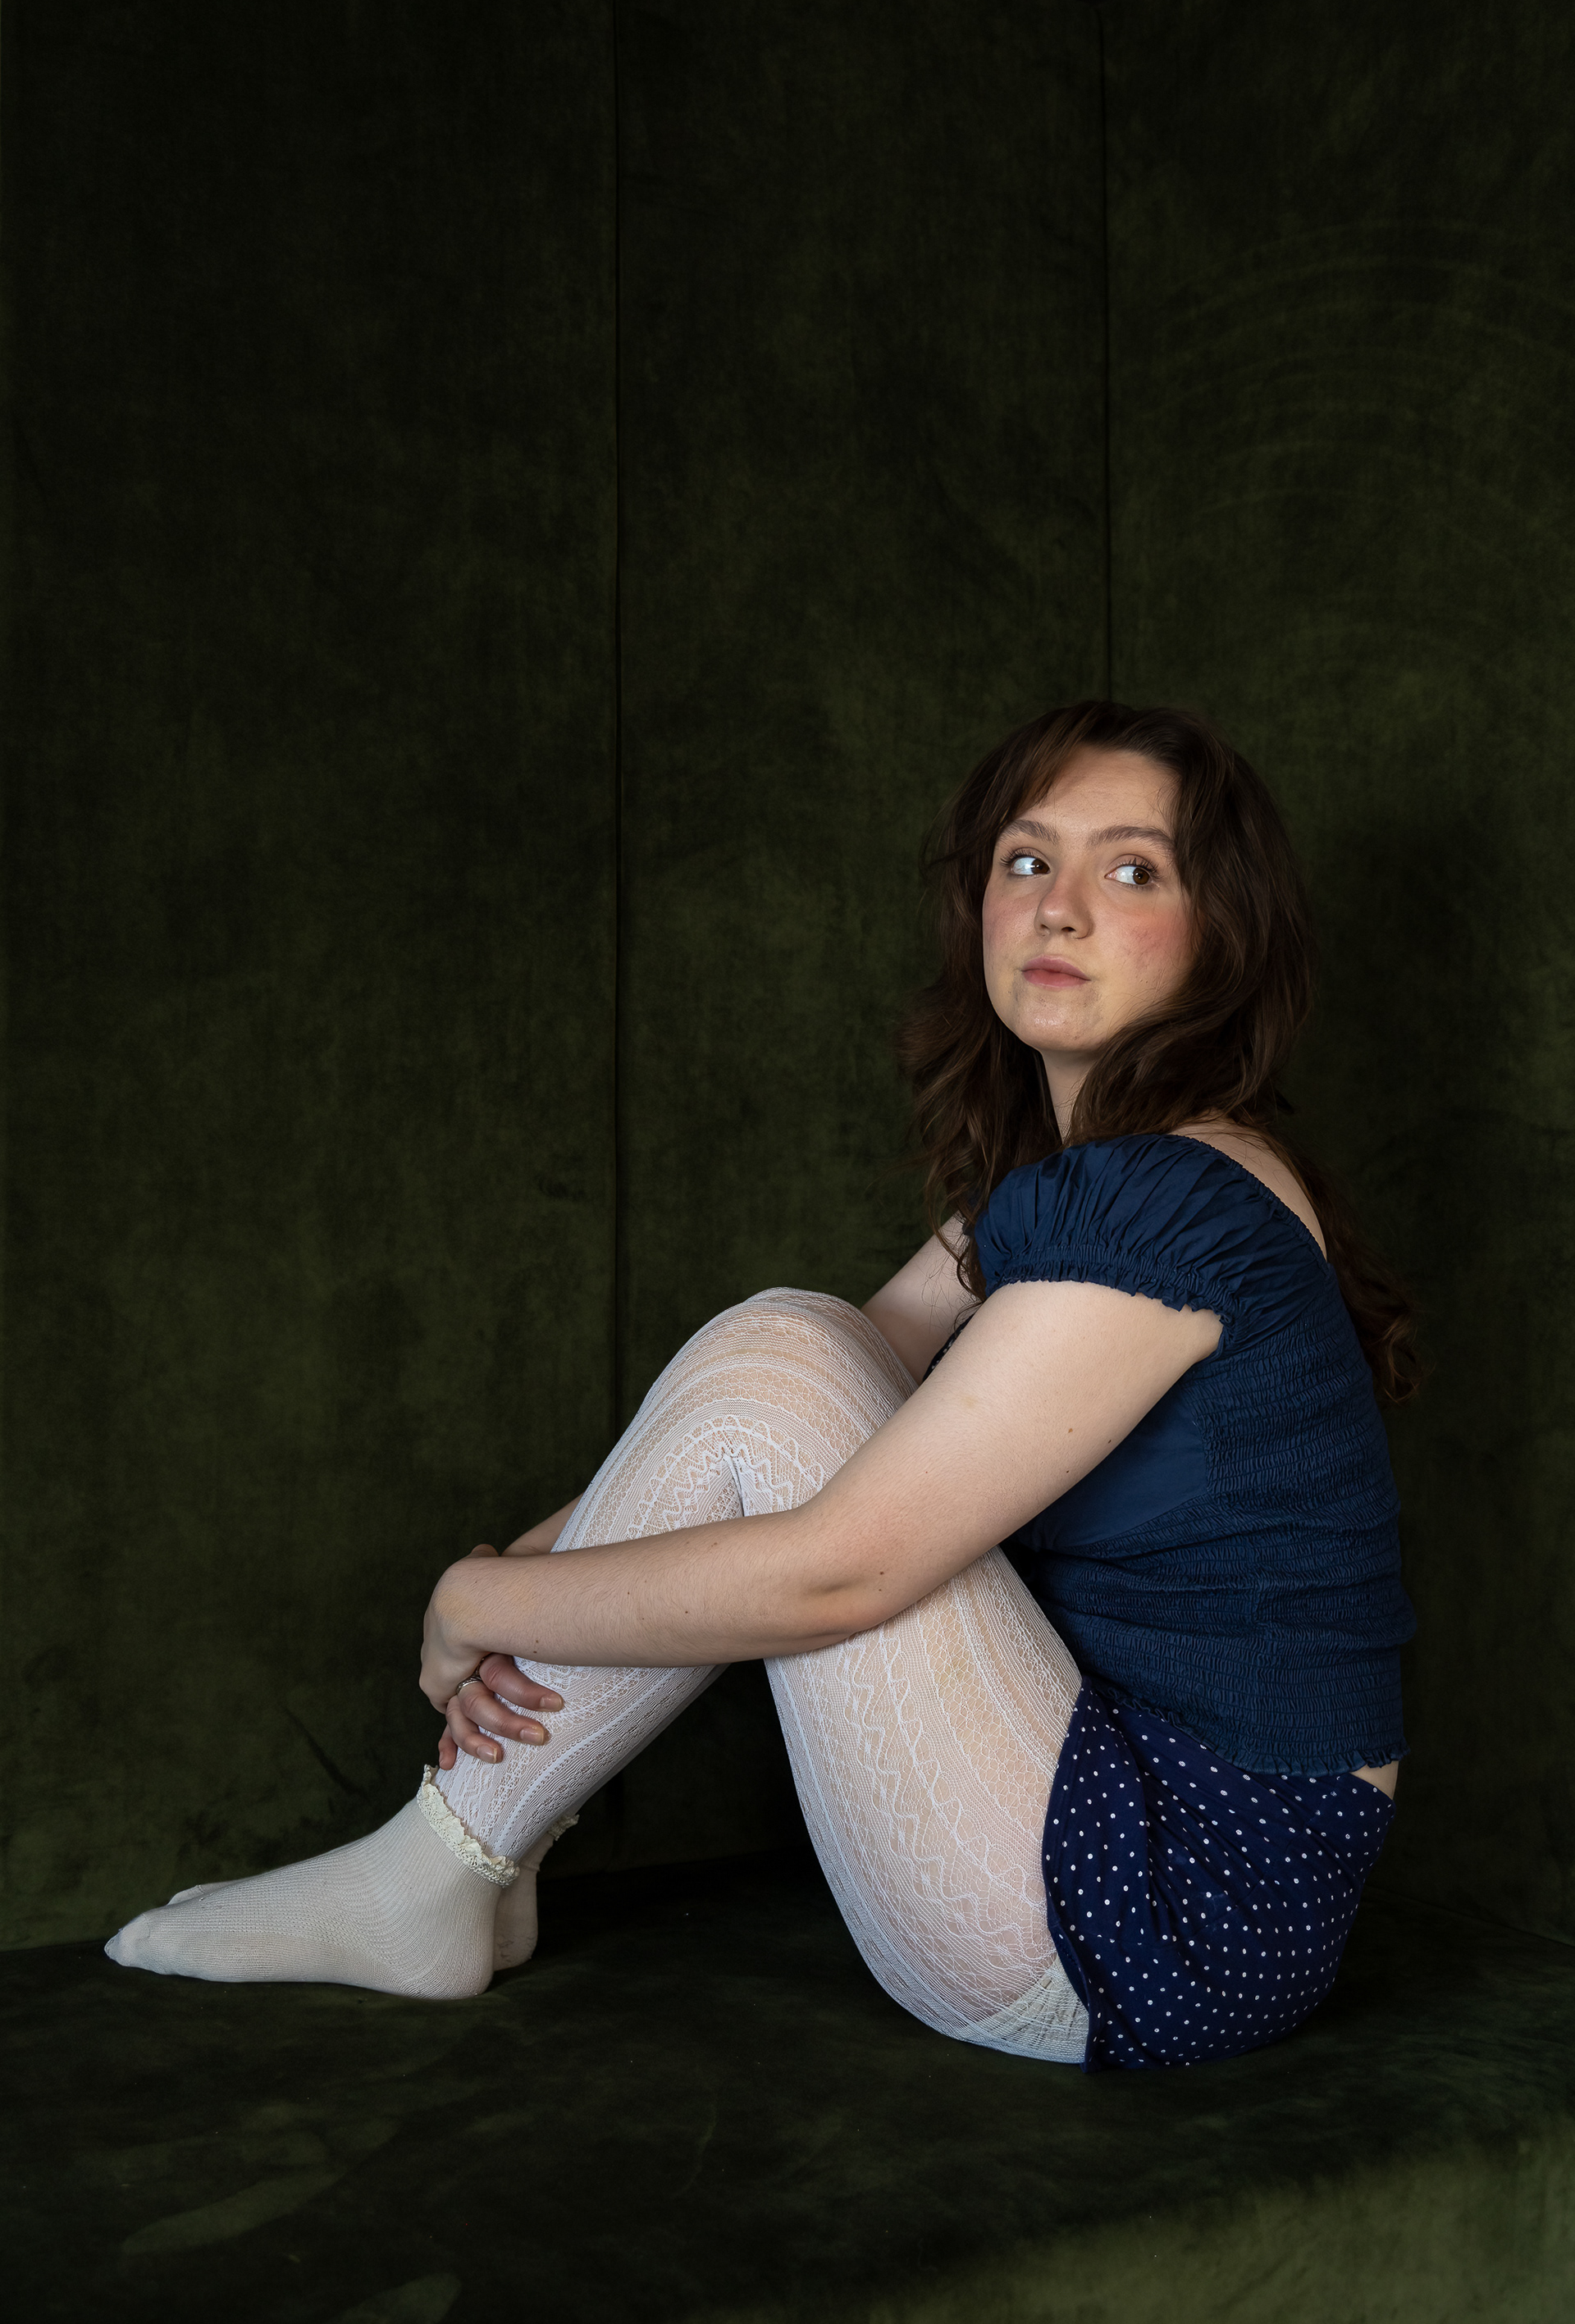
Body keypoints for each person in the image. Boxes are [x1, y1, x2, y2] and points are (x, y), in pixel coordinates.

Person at [106, 701, 1418, 2073]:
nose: (1061, 907)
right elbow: (753, 1415)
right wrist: (526, 1564)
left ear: (1224, 936)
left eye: (1133, 870)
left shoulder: (1172, 1202)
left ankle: (434, 1874)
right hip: (1132, 1810)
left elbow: (838, 1570)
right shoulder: (1072, 1189)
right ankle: (468, 1863)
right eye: (1027, 861)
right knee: (794, 1344)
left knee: (787, 1352)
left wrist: (471, 1601)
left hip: (1180, 1908)